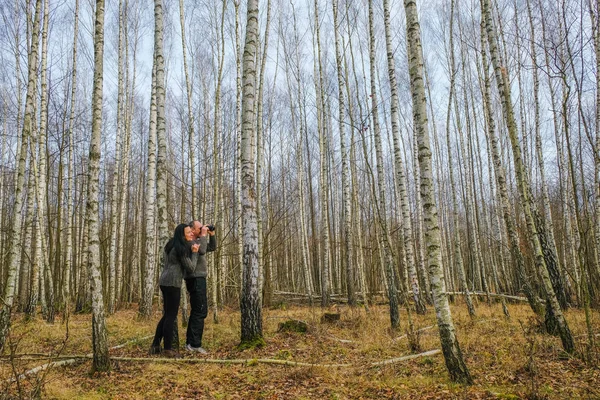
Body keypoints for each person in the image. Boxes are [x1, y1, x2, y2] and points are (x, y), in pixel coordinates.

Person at [150, 223, 199, 358]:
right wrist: (194, 253)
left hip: (164, 281)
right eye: (188, 232)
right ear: (182, 235)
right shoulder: (181, 249)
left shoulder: (171, 244)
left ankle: (155, 345)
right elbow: (191, 268)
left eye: (191, 231)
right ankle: (168, 349)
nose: (191, 234)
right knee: (171, 316)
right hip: (172, 283)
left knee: (167, 315)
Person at [184, 220, 217, 353]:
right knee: (200, 311)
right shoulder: (190, 242)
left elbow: (212, 248)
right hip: (195, 279)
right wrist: (204, 235)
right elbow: (202, 250)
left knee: (198, 311)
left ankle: (190, 343)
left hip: (198, 278)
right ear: (192, 230)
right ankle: (195, 345)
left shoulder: (197, 241)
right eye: (199, 228)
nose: (202, 229)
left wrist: (212, 234)